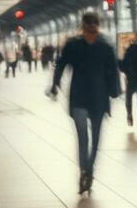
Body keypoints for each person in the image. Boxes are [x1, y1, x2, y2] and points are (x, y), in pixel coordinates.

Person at [49, 12, 120, 195]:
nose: (92, 29)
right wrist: (55, 83)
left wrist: (114, 91)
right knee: (84, 138)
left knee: (95, 138)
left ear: (97, 26)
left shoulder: (104, 46)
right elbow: (62, 63)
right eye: (89, 26)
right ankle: (85, 170)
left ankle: (89, 170)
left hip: (98, 98)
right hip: (80, 98)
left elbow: (113, 70)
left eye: (94, 26)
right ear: (84, 26)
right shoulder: (74, 45)